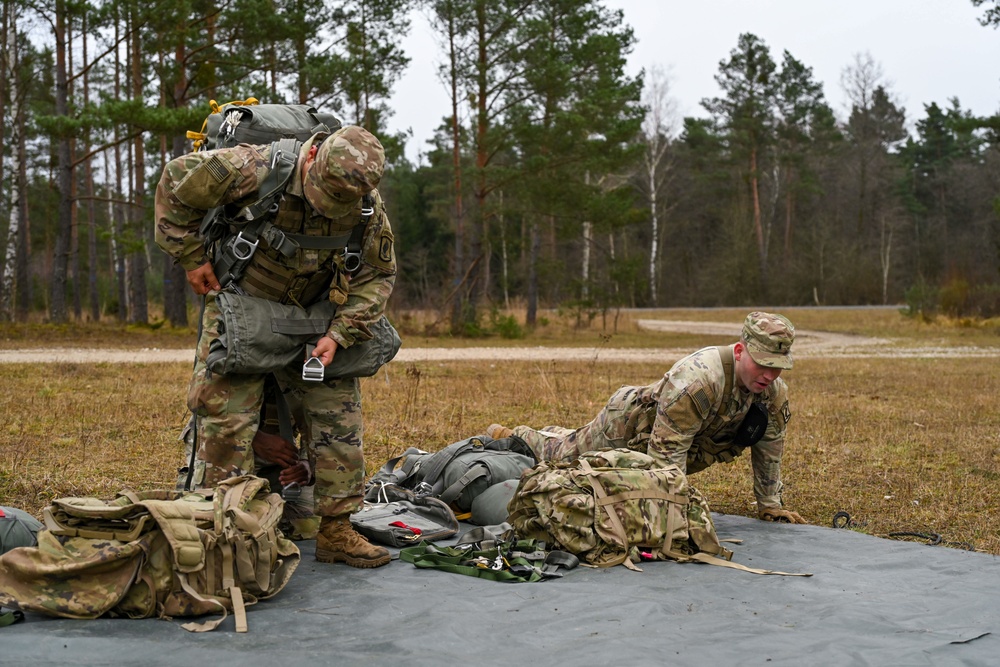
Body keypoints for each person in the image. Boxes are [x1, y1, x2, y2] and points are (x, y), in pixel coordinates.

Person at [154, 125, 396, 567]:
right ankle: (211, 534)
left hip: (316, 316)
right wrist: (191, 256)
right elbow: (175, 182)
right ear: (312, 158)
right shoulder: (254, 168)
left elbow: (377, 275)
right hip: (243, 306)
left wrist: (339, 334)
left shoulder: (365, 206)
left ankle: (337, 530)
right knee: (224, 423)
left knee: (339, 416)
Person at [488, 312, 808, 524]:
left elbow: (769, 446)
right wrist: (674, 516)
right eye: (761, 363)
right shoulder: (698, 383)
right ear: (739, 351)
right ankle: (519, 435)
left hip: (672, 439)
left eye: (777, 365)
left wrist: (770, 504)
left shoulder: (773, 393)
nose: (769, 374)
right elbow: (665, 464)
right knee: (562, 457)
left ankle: (559, 433)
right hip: (626, 427)